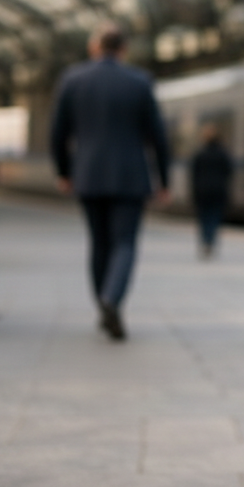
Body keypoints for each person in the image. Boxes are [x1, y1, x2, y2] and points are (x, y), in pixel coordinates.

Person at [51, 22, 170, 341]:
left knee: (99, 242)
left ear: (94, 48)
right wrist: (164, 179)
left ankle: (102, 302)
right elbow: (158, 136)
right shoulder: (140, 81)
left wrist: (64, 173)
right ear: (124, 50)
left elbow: (58, 133)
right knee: (125, 243)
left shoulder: (72, 80)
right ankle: (112, 299)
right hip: (131, 176)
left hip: (87, 175)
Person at [189, 122, 232, 259]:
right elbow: (229, 171)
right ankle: (211, 241)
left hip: (202, 191)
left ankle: (205, 240)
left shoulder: (199, 154)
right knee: (214, 217)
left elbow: (193, 175)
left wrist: (193, 192)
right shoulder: (223, 154)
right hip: (218, 190)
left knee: (203, 218)